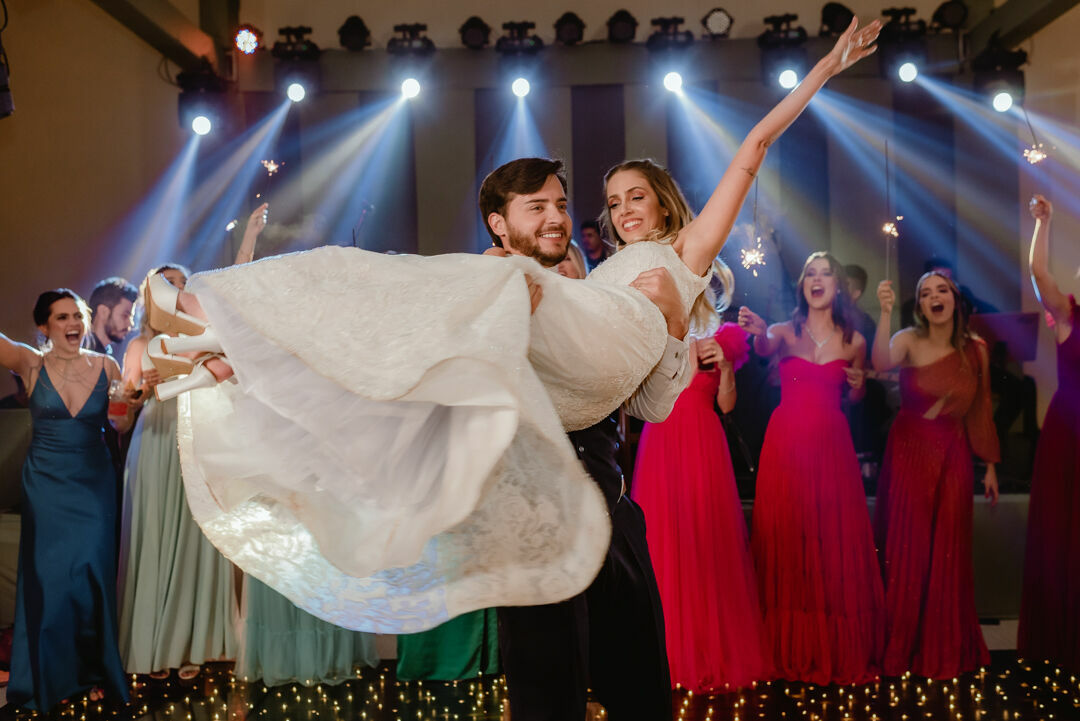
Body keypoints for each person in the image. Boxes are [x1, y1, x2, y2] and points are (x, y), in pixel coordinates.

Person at [143, 18, 882, 637]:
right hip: (584, 357)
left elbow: (752, 152)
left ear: (663, 202)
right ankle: (235, 350)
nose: (623, 209)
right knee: (427, 324)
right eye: (612, 201)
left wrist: (825, 67)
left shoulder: (684, 252)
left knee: (463, 283)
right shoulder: (592, 272)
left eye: (636, 196)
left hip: (608, 351)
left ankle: (224, 318)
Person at [738, 251, 885, 685]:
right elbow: (764, 348)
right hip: (786, 447)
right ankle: (787, 644)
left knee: (829, 539)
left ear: (838, 287)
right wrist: (759, 332)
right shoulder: (784, 331)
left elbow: (854, 397)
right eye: (810, 275)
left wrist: (859, 386)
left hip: (832, 449)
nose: (817, 280)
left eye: (825, 274)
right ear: (803, 285)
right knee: (788, 538)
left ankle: (830, 644)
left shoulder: (854, 341)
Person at [630, 257, 770, 693]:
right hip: (662, 442)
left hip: (706, 445)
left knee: (708, 542)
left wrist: (725, 367)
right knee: (664, 542)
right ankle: (666, 654)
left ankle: (710, 650)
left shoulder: (723, 337)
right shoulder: (653, 330)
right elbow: (641, 399)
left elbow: (727, 406)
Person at [0, 289, 130, 709]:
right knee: (50, 578)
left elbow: (121, 423)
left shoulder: (107, 365)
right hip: (46, 484)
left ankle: (94, 671)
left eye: (77, 315)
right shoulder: (31, 363)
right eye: (61, 317)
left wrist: (130, 403)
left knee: (91, 574)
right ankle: (51, 677)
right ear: (44, 326)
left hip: (93, 482)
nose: (72, 323)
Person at [872, 272, 999, 679]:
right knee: (907, 548)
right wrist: (885, 312)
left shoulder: (976, 350)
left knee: (948, 550)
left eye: (941, 290)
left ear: (955, 300)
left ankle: (940, 648)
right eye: (925, 294)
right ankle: (900, 647)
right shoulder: (909, 339)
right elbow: (880, 362)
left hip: (952, 455)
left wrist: (990, 465)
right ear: (921, 307)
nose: (934, 297)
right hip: (909, 452)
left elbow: (981, 408)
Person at [114, 264, 238, 681]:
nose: (179, 291)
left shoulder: (206, 337)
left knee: (196, 535)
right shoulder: (140, 344)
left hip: (199, 435)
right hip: (157, 439)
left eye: (184, 284)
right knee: (155, 533)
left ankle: (194, 644)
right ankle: (154, 644)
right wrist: (139, 390)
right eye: (170, 284)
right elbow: (124, 407)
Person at [1018, 195, 1080, 673]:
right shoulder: (1069, 315)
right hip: (1069, 432)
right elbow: (1039, 274)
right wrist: (1045, 223)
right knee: (1065, 531)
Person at [86, 277, 138, 357]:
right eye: (125, 315)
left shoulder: (107, 353)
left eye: (131, 317)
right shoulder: (79, 352)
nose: (131, 324)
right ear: (103, 312)